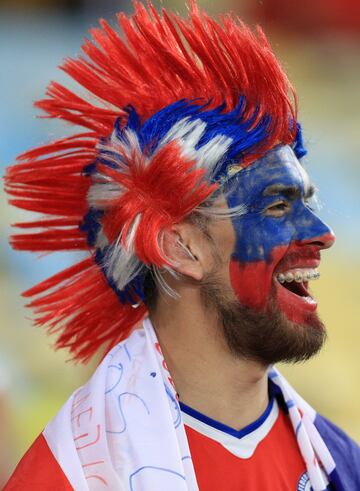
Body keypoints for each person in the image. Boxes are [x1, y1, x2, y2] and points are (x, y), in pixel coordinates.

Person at [4, 2, 360, 490]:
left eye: (309, 202)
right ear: (180, 247)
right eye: (277, 206)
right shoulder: (75, 475)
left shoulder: (338, 462)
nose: (322, 232)